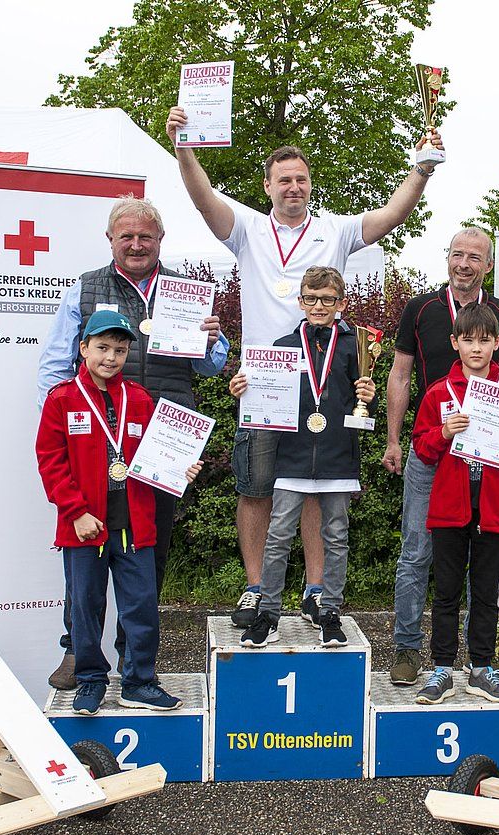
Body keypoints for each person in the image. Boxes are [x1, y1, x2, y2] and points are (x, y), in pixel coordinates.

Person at [166, 105, 443, 630]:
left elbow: (391, 216)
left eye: (301, 179)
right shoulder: (246, 227)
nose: (293, 187)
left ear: (310, 184)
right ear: (267, 186)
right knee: (256, 489)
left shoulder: (334, 230)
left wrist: (422, 169)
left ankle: (316, 590)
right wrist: (184, 147)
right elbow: (202, 198)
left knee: (317, 490)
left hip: (325, 388)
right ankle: (256, 589)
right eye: (284, 180)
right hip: (265, 385)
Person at [37, 196, 229, 690]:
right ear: (111, 240)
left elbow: (212, 367)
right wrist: (62, 418)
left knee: (149, 552)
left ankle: (134, 656)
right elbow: (55, 364)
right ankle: (76, 652)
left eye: (146, 236)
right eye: (127, 236)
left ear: (161, 241)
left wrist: (213, 341)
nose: (137, 244)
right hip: (94, 435)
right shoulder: (85, 288)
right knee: (85, 553)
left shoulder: (186, 290)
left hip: (163, 438)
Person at [35, 310, 202, 715]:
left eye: (120, 350)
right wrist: (75, 512)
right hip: (86, 527)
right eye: (103, 348)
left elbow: (155, 456)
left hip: (134, 524)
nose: (111, 357)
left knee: (141, 606)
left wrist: (180, 468)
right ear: (84, 348)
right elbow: (50, 461)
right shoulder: (62, 399)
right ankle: (90, 681)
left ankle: (139, 681)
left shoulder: (139, 399)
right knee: (86, 608)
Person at [382, 228, 499, 686]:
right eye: (457, 255)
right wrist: (393, 440)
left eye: (475, 257)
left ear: (488, 265)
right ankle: (410, 650)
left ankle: (478, 664)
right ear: (447, 259)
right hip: (435, 456)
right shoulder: (421, 308)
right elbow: (401, 375)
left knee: (479, 577)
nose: (465, 263)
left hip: (489, 466)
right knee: (417, 554)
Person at [229, 266, 375, 648]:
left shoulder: (354, 345)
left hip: (338, 455)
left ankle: (330, 613)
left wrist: (367, 394)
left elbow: (359, 399)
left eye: (328, 299)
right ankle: (269, 616)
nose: (319, 306)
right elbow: (263, 401)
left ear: (341, 303)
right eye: (311, 298)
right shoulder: (282, 347)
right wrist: (242, 389)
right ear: (301, 301)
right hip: (291, 457)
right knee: (278, 537)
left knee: (337, 537)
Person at [411, 303, 499, 704]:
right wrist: (444, 432)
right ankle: (442, 670)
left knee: (485, 593)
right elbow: (422, 449)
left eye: (485, 340)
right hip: (450, 507)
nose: (477, 348)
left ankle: (481, 669)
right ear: (455, 343)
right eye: (468, 340)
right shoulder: (438, 393)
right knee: (446, 592)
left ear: (498, 344)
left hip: (496, 508)